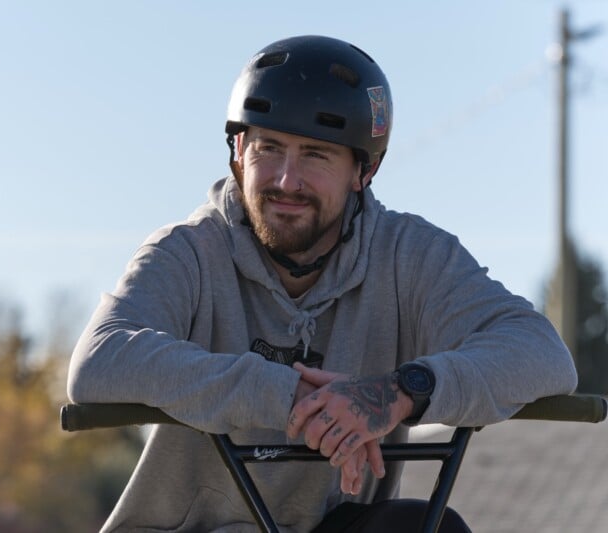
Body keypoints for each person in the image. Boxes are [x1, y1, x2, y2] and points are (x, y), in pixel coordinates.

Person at [67, 35, 577, 532]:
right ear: (238, 150)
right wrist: (286, 394)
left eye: (316, 154)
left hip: (333, 522)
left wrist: (398, 392)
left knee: (430, 526)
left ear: (363, 170)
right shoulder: (189, 251)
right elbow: (99, 359)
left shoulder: (409, 256)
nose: (287, 180)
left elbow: (541, 352)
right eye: (269, 148)